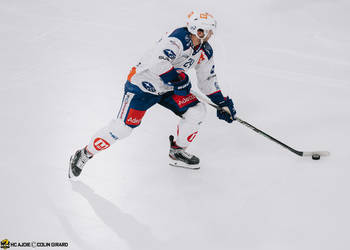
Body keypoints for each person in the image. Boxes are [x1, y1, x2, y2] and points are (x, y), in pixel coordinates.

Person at [69, 11, 236, 178]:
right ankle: (84, 153)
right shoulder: (177, 39)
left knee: (197, 111)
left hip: (167, 89)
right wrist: (178, 80)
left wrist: (222, 102)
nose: (211, 34)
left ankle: (177, 152)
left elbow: (207, 79)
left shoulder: (204, 51)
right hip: (142, 87)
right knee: (122, 129)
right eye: (209, 31)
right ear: (199, 31)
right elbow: (158, 63)